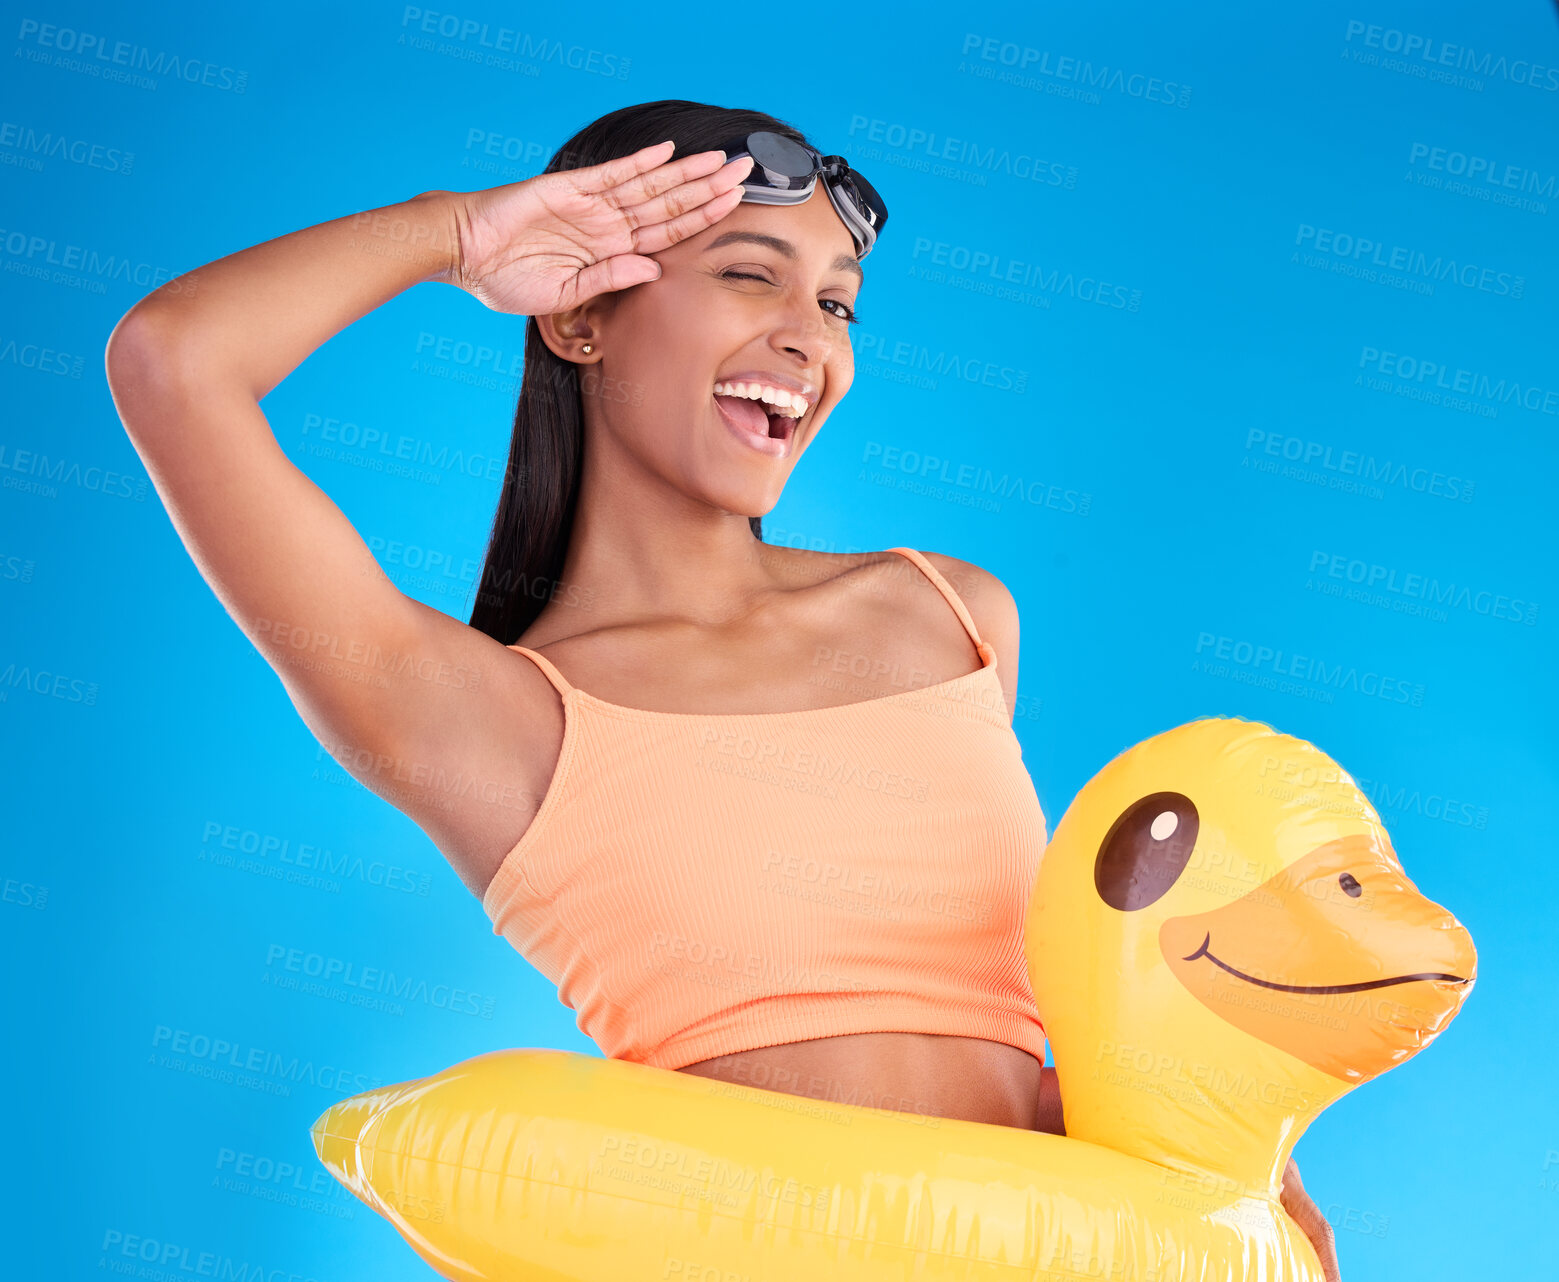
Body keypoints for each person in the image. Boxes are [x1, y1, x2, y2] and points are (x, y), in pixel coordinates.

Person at [104, 99, 1339, 1278]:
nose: (811, 341)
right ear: (580, 317)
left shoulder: (948, 615)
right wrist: (460, 235)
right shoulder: (486, 720)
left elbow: (1017, 1046)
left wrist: (1236, 1175)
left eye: (839, 305)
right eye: (749, 275)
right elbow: (174, 361)